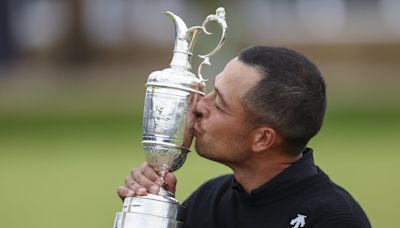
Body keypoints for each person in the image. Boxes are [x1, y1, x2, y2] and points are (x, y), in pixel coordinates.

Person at [117, 46, 371, 228]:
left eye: (220, 103)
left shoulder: (333, 219)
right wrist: (153, 211)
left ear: (263, 139)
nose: (200, 106)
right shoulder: (209, 201)